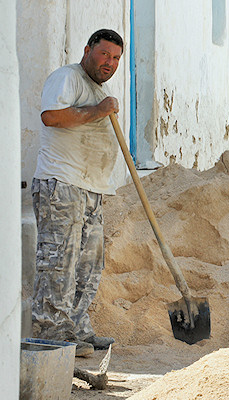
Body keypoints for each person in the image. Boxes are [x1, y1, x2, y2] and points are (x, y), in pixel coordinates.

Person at [31, 29, 124, 357]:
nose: (109, 62)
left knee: (88, 265)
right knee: (58, 263)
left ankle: (77, 330)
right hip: (61, 186)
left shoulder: (100, 89)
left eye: (115, 58)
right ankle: (49, 336)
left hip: (90, 190)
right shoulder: (67, 78)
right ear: (88, 50)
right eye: (104, 54)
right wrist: (98, 111)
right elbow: (51, 117)